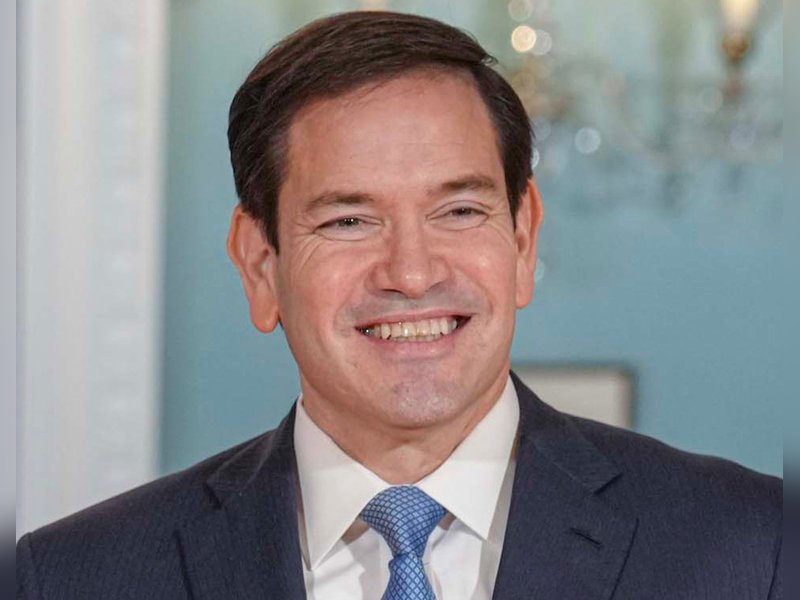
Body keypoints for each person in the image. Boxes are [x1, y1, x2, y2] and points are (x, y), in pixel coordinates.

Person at [16, 11, 781, 600]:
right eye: (349, 221)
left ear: (522, 241)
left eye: (460, 211)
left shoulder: (761, 549)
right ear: (259, 264)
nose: (412, 274)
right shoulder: (70, 578)